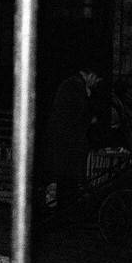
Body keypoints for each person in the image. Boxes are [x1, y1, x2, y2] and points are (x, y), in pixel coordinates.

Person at [42, 65, 104, 206]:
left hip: (65, 140)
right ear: (90, 75)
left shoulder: (72, 85)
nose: (96, 83)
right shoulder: (75, 87)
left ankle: (64, 206)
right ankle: (65, 208)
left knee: (65, 178)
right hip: (68, 142)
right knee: (68, 178)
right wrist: (90, 118)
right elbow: (77, 115)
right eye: (96, 79)